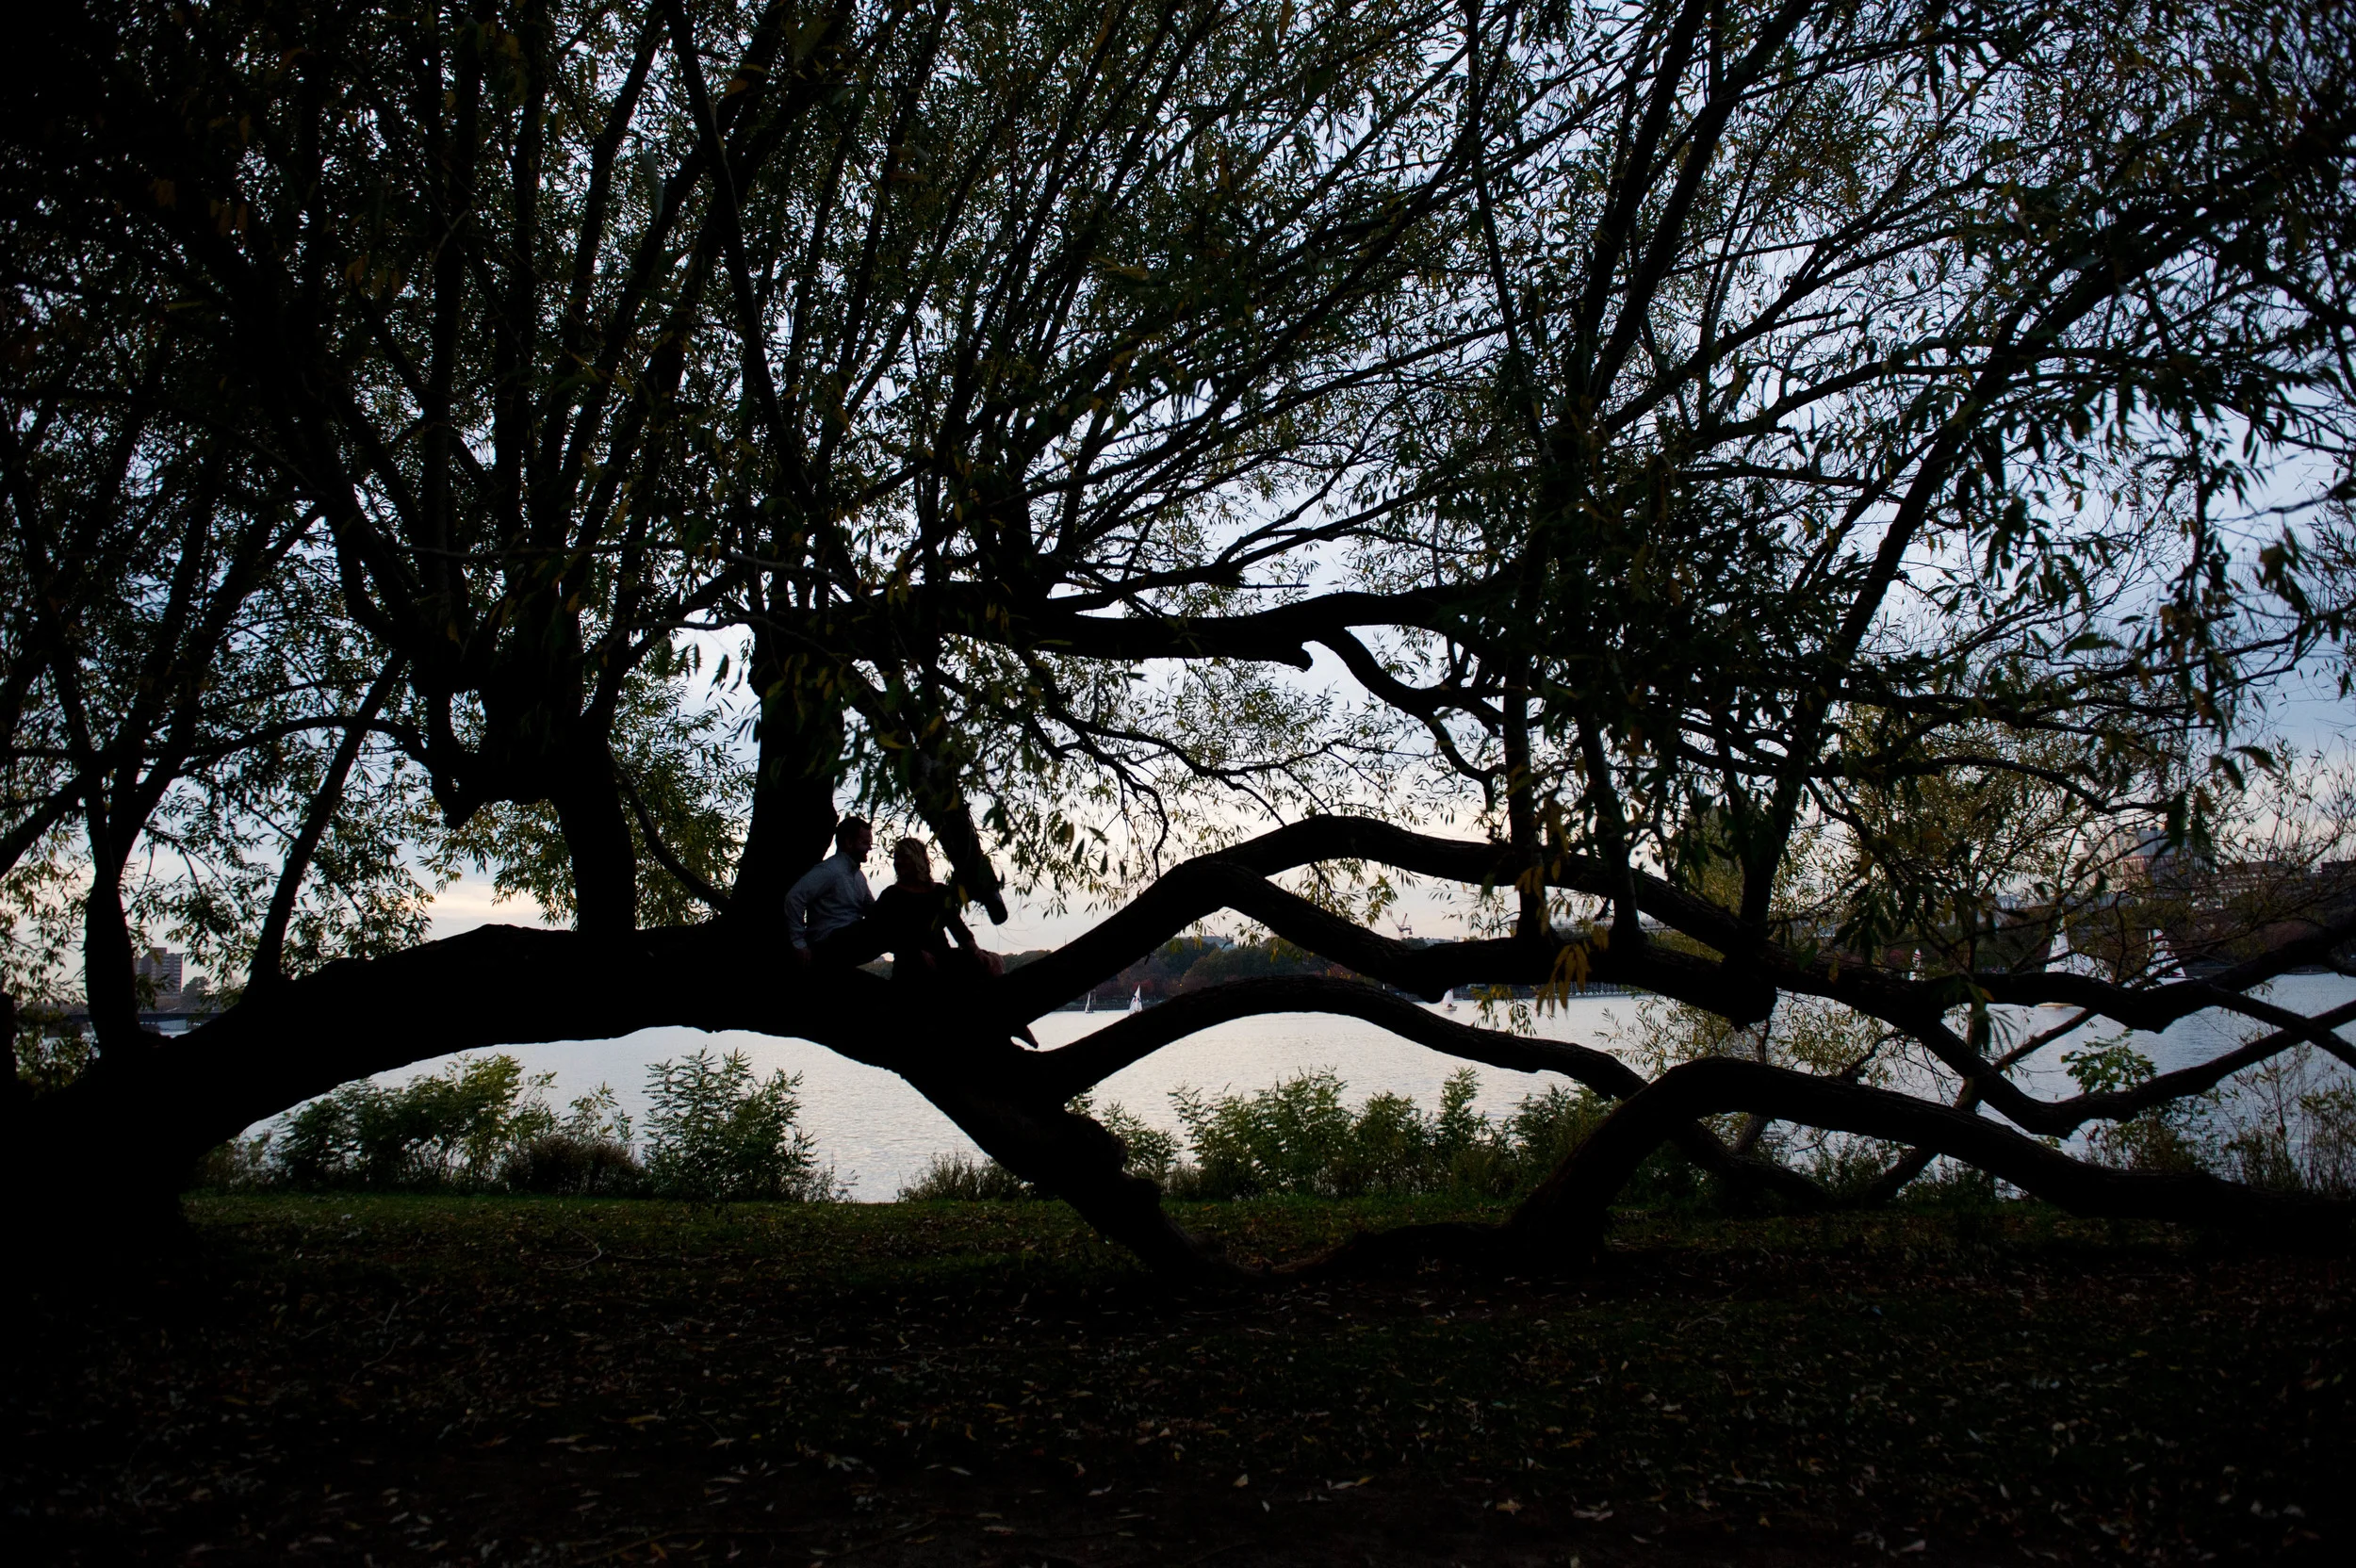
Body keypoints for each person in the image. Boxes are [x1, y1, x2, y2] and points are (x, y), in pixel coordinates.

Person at [785, 817, 875, 966]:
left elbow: (872, 909)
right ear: (849, 842)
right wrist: (798, 942)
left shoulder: (858, 876)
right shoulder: (830, 870)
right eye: (865, 843)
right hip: (828, 942)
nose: (869, 848)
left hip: (849, 940)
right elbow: (794, 898)